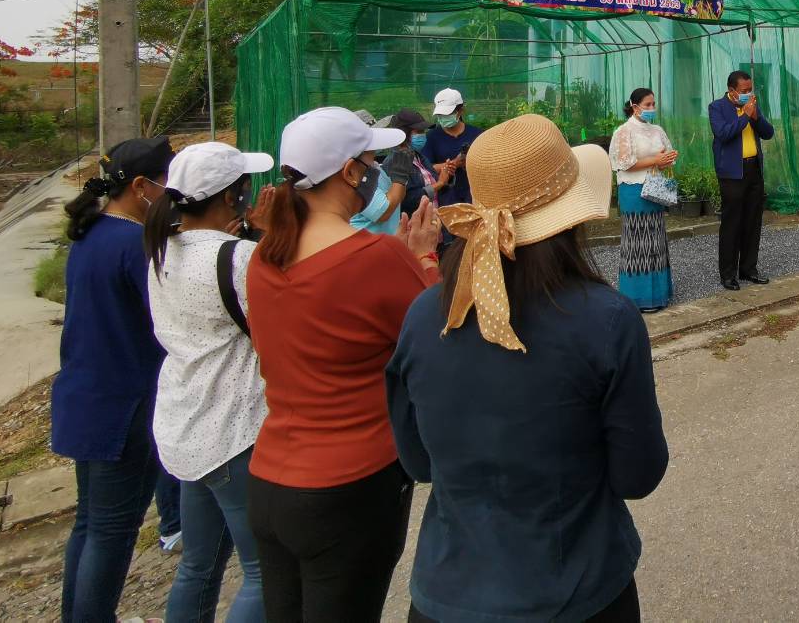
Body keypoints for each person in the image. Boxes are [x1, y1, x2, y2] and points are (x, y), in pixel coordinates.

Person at [386, 114, 667, 623]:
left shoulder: (426, 315)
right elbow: (638, 474)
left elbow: (419, 464)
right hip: (575, 592)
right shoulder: (606, 319)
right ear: (571, 215)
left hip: (444, 594)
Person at [247, 107, 442, 620]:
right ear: (352, 172)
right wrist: (422, 257)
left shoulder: (264, 256)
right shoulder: (374, 258)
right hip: (350, 482)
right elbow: (435, 333)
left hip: (269, 478)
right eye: (372, 159)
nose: (378, 168)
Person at [142, 141, 275, 623]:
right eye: (245, 187)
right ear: (232, 198)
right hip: (235, 432)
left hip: (187, 427)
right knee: (265, 575)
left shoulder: (162, 249)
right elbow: (272, 335)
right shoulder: (237, 259)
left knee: (198, 566)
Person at [54, 137, 176, 623]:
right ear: (142, 186)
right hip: (124, 406)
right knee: (111, 532)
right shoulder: (134, 245)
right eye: (168, 185)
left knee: (90, 525)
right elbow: (168, 323)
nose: (174, 194)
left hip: (86, 398)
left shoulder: (92, 233)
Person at [609, 88, 677, 312]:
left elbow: (664, 158)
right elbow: (624, 162)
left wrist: (666, 160)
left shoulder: (657, 130)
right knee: (637, 242)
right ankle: (636, 298)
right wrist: (655, 159)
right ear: (635, 106)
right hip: (633, 190)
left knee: (656, 239)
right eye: (647, 105)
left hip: (655, 187)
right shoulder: (624, 131)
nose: (651, 109)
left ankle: (659, 295)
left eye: (653, 104)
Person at [708, 70, 774, 291]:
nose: (748, 94)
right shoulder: (717, 107)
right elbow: (724, 133)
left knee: (752, 221)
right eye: (744, 91)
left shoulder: (752, 106)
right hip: (731, 173)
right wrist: (745, 115)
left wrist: (755, 116)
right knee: (732, 224)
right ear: (731, 90)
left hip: (753, 169)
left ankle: (748, 269)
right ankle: (728, 274)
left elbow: (768, 133)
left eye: (750, 90)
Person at [349, 108, 410, 235]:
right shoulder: (356, 176)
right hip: (366, 246)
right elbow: (382, 213)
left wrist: (402, 176)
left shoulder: (375, 167)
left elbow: (398, 198)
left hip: (386, 243)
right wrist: (399, 178)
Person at [420, 87, 484, 207]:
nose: (443, 117)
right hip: (446, 199)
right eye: (440, 114)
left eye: (447, 114)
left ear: (460, 111)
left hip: (474, 196)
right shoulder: (432, 137)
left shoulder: (477, 134)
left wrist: (469, 162)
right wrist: (454, 163)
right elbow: (426, 168)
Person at [389, 108, 443, 217]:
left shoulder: (418, 157)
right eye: (418, 132)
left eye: (423, 131)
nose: (423, 135)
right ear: (404, 134)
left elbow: (429, 179)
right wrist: (439, 184)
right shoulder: (394, 163)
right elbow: (407, 199)